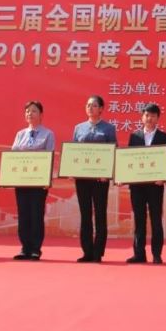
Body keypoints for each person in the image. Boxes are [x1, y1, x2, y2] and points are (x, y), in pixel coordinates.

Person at [72, 95, 117, 263]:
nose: (90, 108)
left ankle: (98, 252)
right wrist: (72, 169)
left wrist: (108, 173)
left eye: (94, 105)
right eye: (88, 105)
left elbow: (114, 151)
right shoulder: (78, 128)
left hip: (100, 179)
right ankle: (87, 252)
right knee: (85, 215)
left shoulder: (108, 128)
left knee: (100, 214)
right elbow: (74, 152)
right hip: (82, 179)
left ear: (101, 109)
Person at [126, 103, 166, 264]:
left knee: (156, 220)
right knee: (139, 220)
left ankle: (156, 254)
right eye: (146, 115)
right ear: (142, 117)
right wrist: (124, 177)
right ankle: (139, 254)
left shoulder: (164, 137)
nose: (149, 118)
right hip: (137, 186)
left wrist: (165, 178)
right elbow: (129, 159)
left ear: (158, 118)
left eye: (152, 115)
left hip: (155, 186)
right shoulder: (134, 136)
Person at [10, 100, 55, 261]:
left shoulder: (48, 134)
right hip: (22, 181)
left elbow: (50, 157)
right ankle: (25, 248)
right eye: (27, 111)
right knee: (23, 214)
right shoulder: (20, 134)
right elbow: (13, 157)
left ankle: (35, 248)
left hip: (38, 182)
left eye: (34, 111)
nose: (30, 113)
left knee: (36, 214)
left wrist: (47, 180)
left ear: (41, 115)